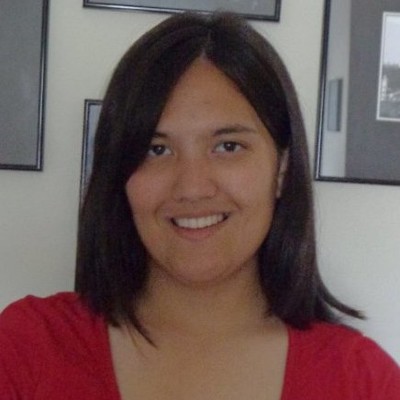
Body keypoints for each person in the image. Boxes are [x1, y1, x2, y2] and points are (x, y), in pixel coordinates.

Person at [1, 11, 399, 400]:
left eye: (228, 146)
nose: (192, 187)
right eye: (157, 149)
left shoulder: (364, 382)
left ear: (281, 168)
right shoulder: (25, 349)